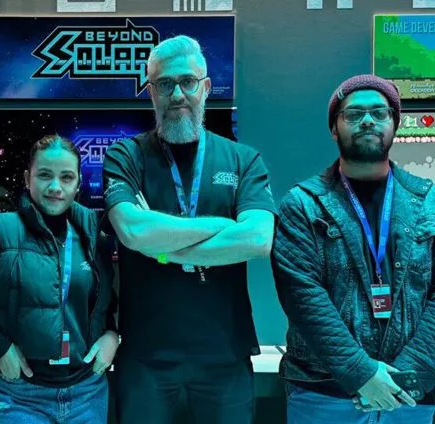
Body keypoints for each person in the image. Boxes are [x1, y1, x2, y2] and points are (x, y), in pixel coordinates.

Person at [271, 74, 435, 423]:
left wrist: (410, 373)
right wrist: (361, 374)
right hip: (323, 393)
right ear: (334, 129)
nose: (367, 121)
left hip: (409, 394)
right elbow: (302, 295)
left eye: (379, 113)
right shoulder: (302, 205)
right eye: (353, 114)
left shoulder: (434, 202)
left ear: (395, 124)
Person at [103, 35, 277, 424]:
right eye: (165, 84)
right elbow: (132, 230)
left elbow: (257, 238)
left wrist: (164, 249)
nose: (177, 94)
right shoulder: (126, 155)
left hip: (225, 358)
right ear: (151, 92)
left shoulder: (243, 160)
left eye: (187, 81)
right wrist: (221, 227)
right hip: (145, 359)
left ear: (206, 87)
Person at [0, 135, 119, 424]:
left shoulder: (93, 236)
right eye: (45, 175)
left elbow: (103, 301)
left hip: (87, 392)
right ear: (27, 179)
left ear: (78, 184)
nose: (55, 187)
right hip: (21, 395)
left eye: (66, 177)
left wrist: (111, 334)